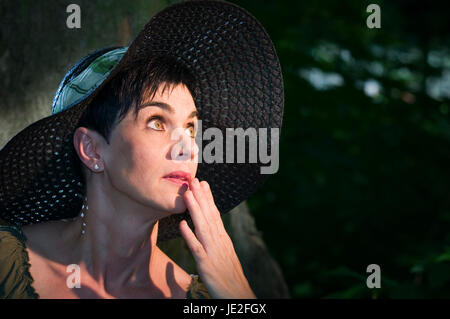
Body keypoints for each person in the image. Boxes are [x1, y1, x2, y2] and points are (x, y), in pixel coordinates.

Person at [0, 0, 284, 299]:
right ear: (92, 149)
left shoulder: (200, 298)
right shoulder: (8, 264)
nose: (187, 148)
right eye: (157, 122)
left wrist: (237, 294)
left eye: (190, 128)